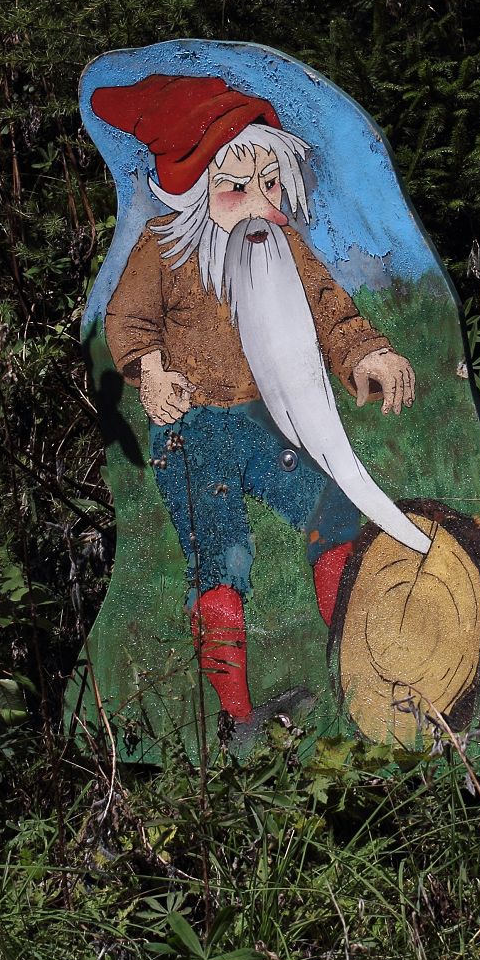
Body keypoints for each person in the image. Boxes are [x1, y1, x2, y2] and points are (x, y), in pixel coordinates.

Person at [93, 72, 426, 739]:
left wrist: (367, 353)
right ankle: (237, 719)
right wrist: (152, 373)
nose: (259, 205)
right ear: (196, 189)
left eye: (270, 185)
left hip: (264, 421)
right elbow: (129, 321)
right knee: (221, 556)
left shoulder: (283, 244)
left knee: (332, 513)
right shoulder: (163, 247)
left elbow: (330, 308)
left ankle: (358, 680)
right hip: (193, 431)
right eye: (236, 188)